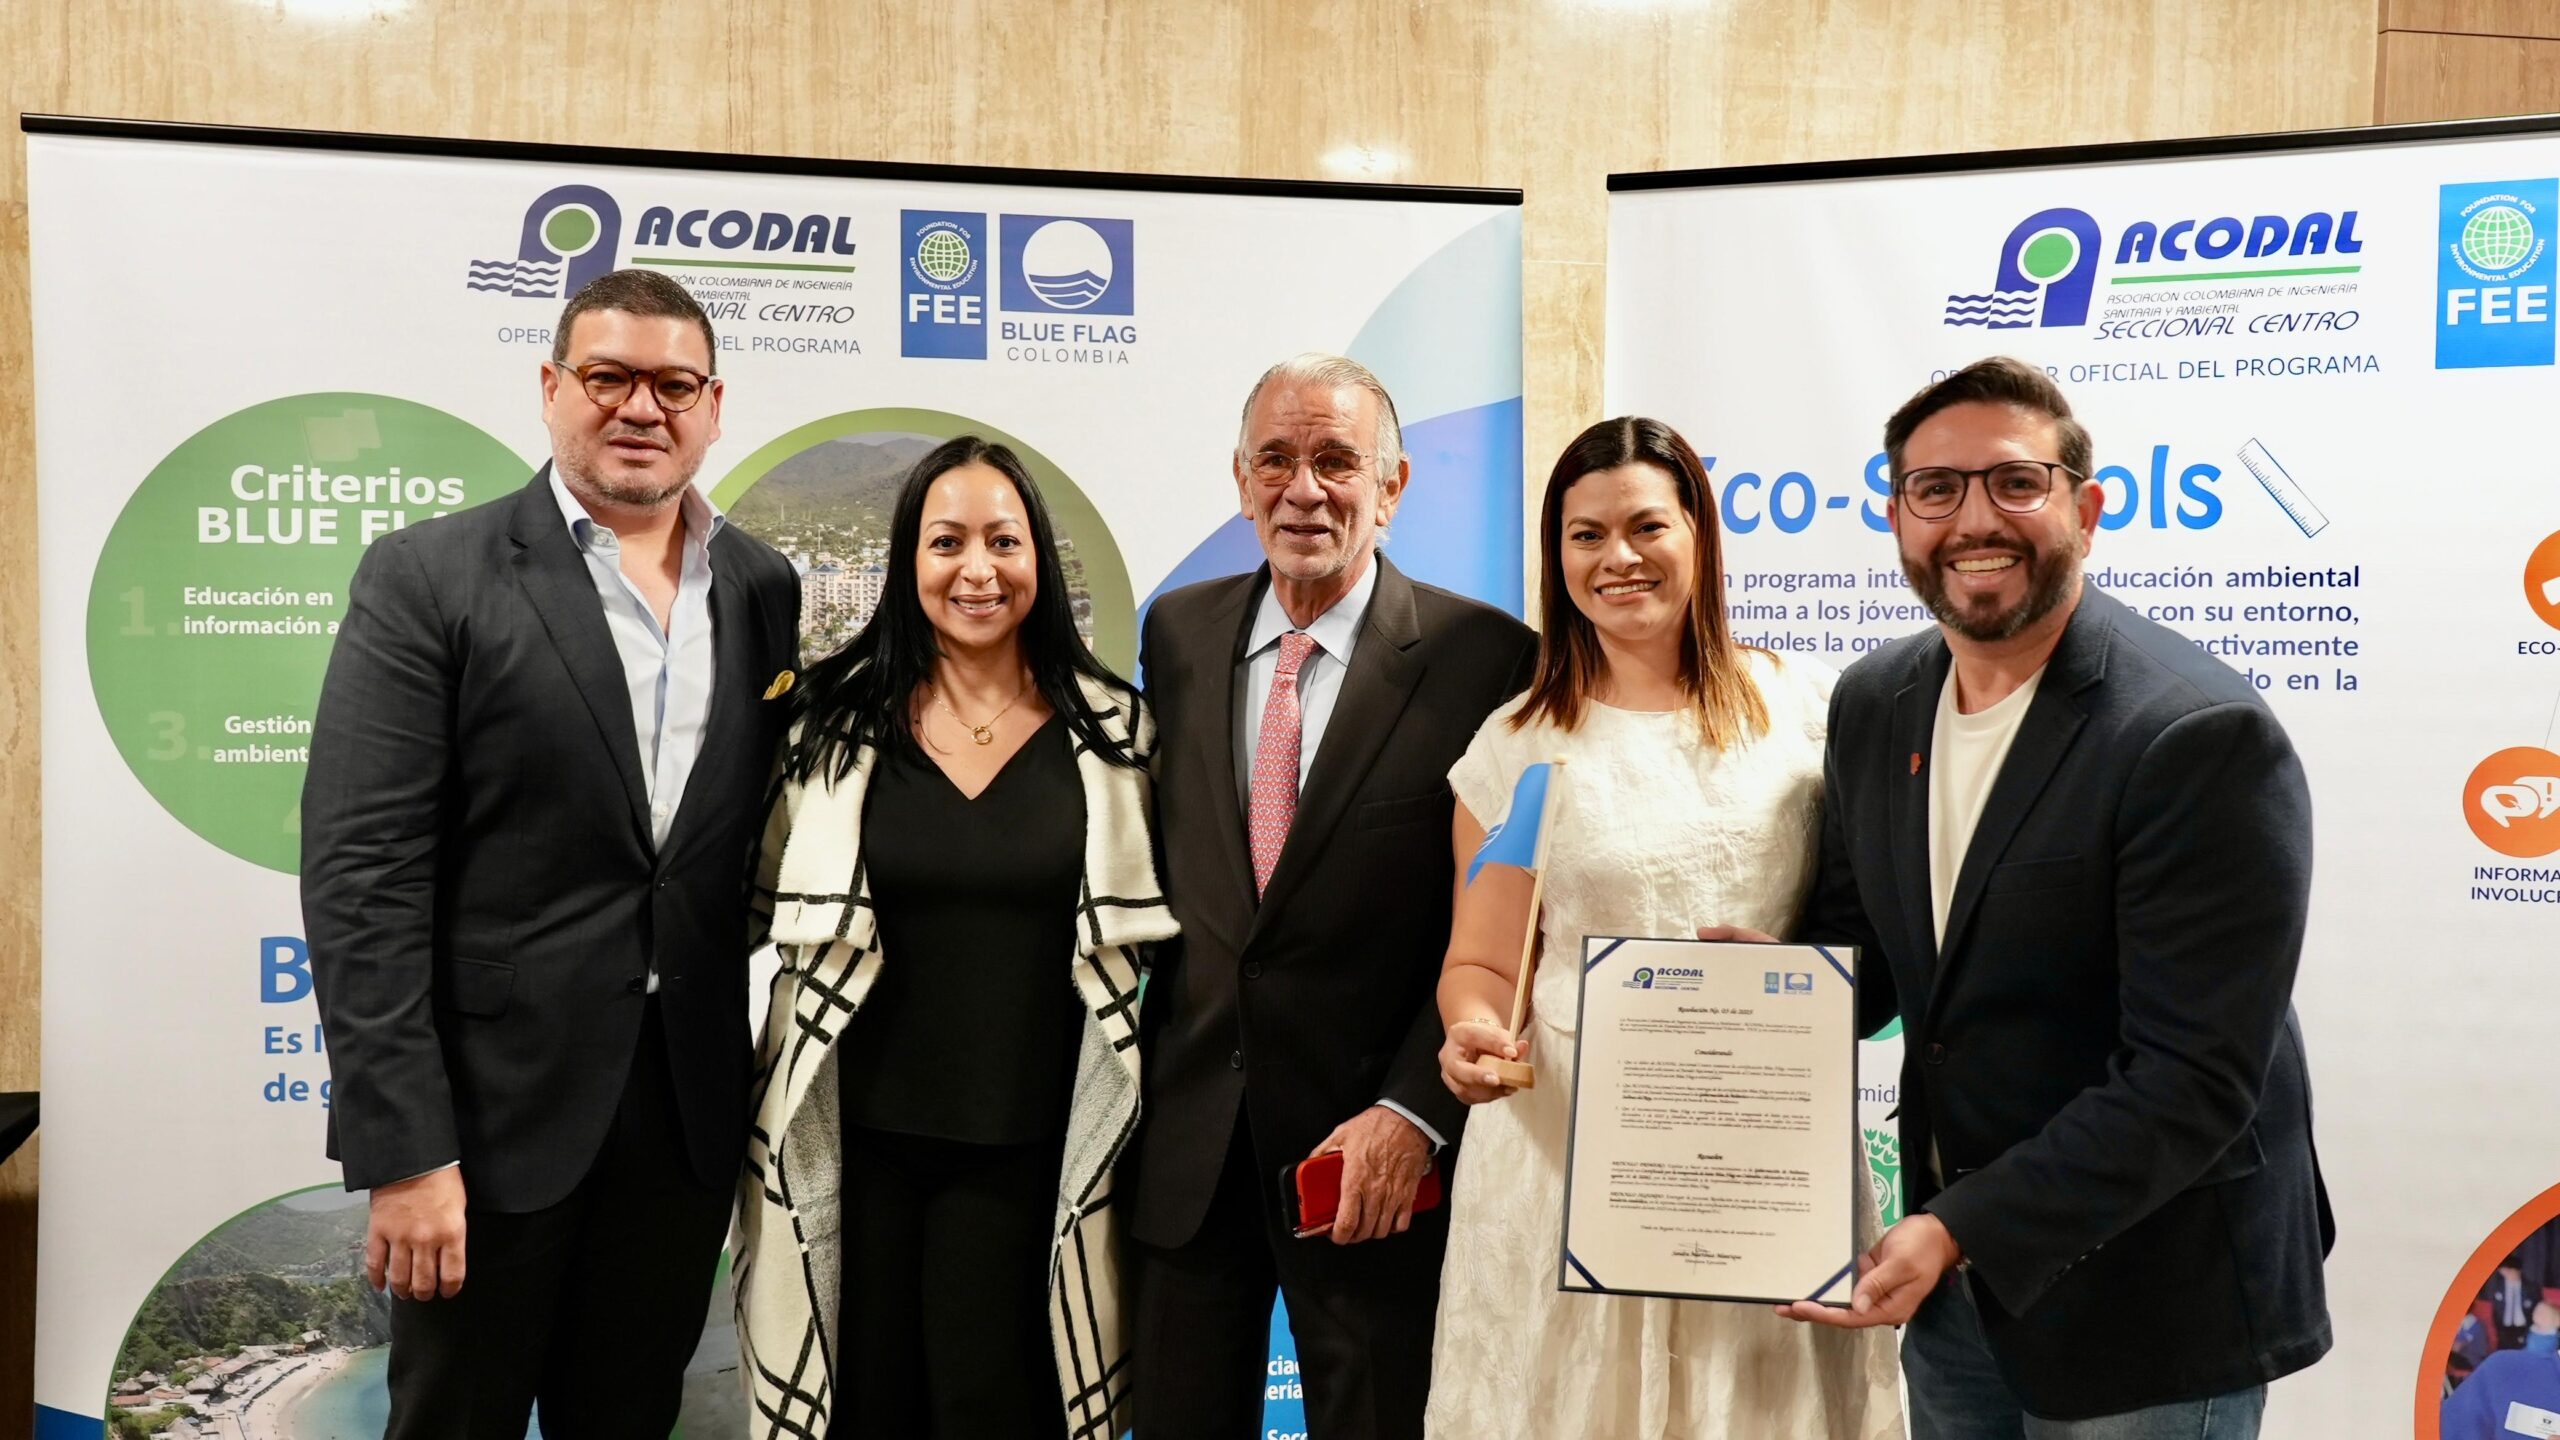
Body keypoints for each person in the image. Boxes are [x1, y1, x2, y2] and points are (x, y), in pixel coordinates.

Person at [1770, 357, 2333, 1437]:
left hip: (2153, 1301)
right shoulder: (1874, 702)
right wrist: (1755, 997)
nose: (1973, 519)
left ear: (2086, 506)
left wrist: (1954, 1227)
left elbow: (2190, 1081)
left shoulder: (2192, 735)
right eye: (1935, 489)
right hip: (1958, 1283)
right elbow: (1877, 951)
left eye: (2014, 483)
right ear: (1895, 516)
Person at [302, 268, 802, 1436]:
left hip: (681, 1126)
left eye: (674, 384)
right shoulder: (431, 575)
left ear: (714, 405)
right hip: (484, 1137)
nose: (642, 408)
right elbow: (361, 878)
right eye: (609, 377)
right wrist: (407, 1154)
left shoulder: (762, 586)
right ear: (551, 388)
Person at [1427, 416, 1902, 1440]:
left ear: (1699, 533)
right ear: (1556, 557)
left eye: (1646, 525)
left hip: (1757, 1156)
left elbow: (1872, 933)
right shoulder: (1518, 745)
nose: (1618, 558)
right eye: (1584, 535)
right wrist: (1471, 1031)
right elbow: (1480, 958)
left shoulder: (1806, 712)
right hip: (1561, 1161)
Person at [730, 437, 1175, 1440]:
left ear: (1041, 564)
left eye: (1003, 541)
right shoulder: (824, 730)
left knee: (1005, 1408)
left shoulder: (1117, 738)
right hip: (853, 1148)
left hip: (1042, 1155)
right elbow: (735, 907)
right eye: (947, 542)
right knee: (859, 1411)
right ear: (907, 562)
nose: (976, 570)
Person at [1128, 353, 1538, 1438]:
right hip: (1188, 1156)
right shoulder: (1178, 631)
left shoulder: (1486, 658)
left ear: (1393, 485)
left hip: (1374, 1163)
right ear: (1239, 477)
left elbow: (1505, 924)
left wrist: (1417, 1110)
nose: (1302, 490)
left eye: (1335, 461)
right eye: (1276, 459)